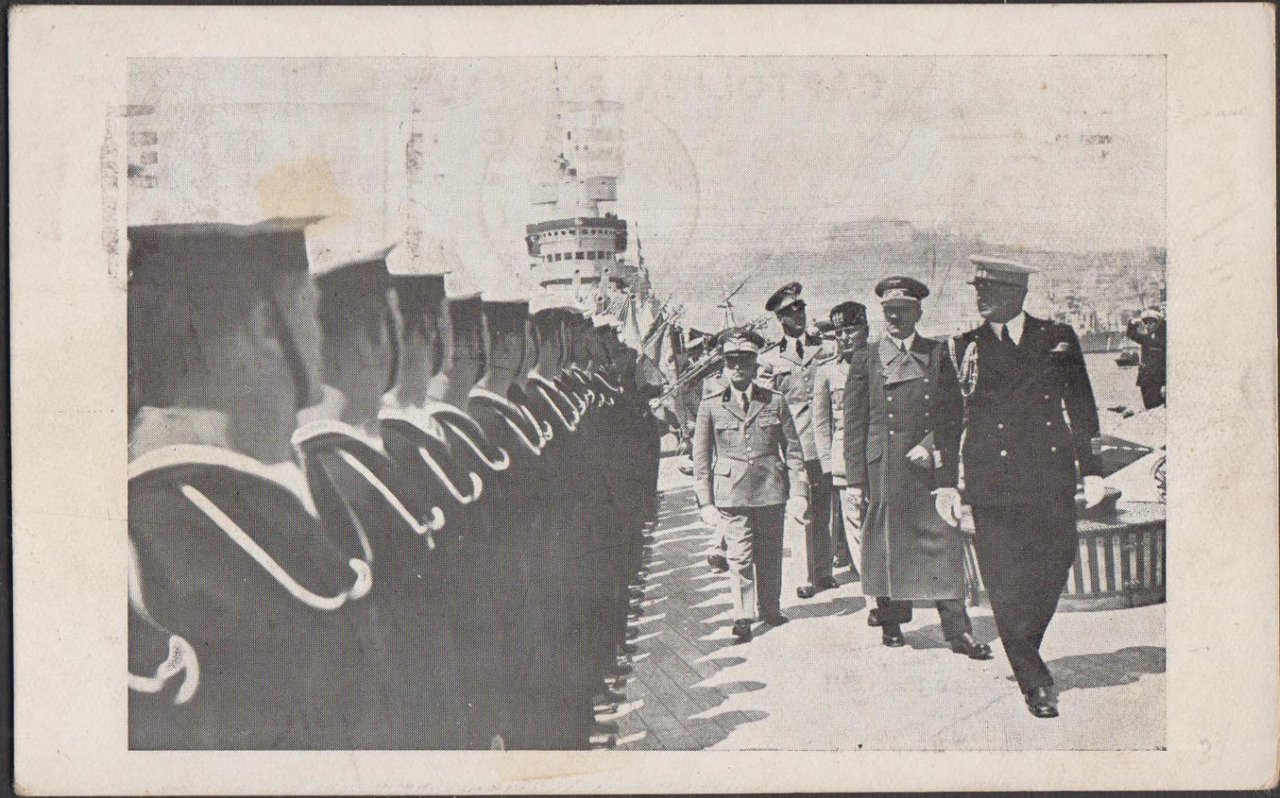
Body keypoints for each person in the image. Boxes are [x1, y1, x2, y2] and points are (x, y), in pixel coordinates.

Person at [127, 217, 392, 749]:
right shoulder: (161, 531)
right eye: (311, 310)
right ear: (268, 328)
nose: (320, 336)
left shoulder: (250, 501)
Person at [952, 255, 1105, 719]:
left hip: (1049, 475)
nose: (980, 297)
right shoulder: (964, 346)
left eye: (990, 291)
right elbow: (945, 419)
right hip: (991, 480)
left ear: (1017, 295)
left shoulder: (1055, 338)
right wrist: (946, 485)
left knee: (1052, 567)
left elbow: (1082, 405)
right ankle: (1033, 679)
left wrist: (1092, 468)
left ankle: (1024, 648)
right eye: (977, 290)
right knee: (1001, 578)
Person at [842, 277, 991, 660]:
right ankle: (891, 623)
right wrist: (856, 481)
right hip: (885, 465)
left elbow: (953, 413)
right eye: (890, 312)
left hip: (929, 467)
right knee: (888, 544)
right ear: (883, 314)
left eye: (904, 312)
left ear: (918, 313)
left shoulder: (940, 353)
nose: (896, 318)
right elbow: (855, 422)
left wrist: (929, 445)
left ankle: (957, 631)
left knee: (943, 541)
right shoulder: (866, 357)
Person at [693, 327, 807, 643]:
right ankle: (743, 614)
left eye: (745, 362)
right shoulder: (711, 405)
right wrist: (705, 502)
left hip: (770, 489)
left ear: (755, 365)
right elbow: (701, 457)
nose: (738, 369)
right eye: (732, 363)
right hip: (731, 494)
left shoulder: (775, 402)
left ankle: (770, 607)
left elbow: (794, 449)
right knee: (740, 555)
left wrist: (799, 492)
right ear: (724, 367)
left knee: (769, 553)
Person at [760, 282, 837, 600]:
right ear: (780, 319)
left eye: (801, 309)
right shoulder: (770, 359)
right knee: (801, 508)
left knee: (824, 506)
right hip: (792, 445)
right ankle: (805, 576)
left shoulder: (826, 348)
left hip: (824, 441)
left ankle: (824, 570)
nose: (798, 316)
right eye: (791, 313)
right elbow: (767, 405)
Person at [812, 301, 870, 574]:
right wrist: (827, 463)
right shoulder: (826, 371)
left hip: (878, 452)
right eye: (839, 332)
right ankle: (872, 588)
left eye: (851, 330)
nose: (845, 338)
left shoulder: (881, 361)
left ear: (866, 330)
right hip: (844, 457)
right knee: (854, 521)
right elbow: (822, 422)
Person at [1126, 305, 1166, 409]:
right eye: (1146, 323)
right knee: (1148, 407)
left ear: (1157, 324)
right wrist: (1133, 323)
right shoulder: (1146, 339)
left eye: (1151, 323)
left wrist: (1165, 384)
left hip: (1157, 382)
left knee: (1156, 408)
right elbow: (1131, 334)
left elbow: (1166, 364)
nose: (1147, 326)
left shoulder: (1164, 340)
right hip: (1145, 381)